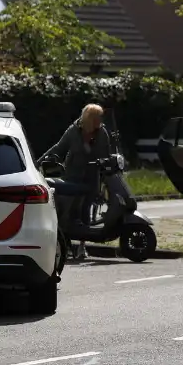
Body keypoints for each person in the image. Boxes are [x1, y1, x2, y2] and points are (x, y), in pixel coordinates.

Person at [37, 104, 112, 261]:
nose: (101, 120)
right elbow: (59, 147)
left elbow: (107, 154)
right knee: (70, 210)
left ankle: (82, 246)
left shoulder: (102, 133)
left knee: (86, 210)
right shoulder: (74, 131)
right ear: (90, 119)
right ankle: (67, 245)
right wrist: (38, 162)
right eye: (98, 117)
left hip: (92, 177)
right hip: (73, 176)